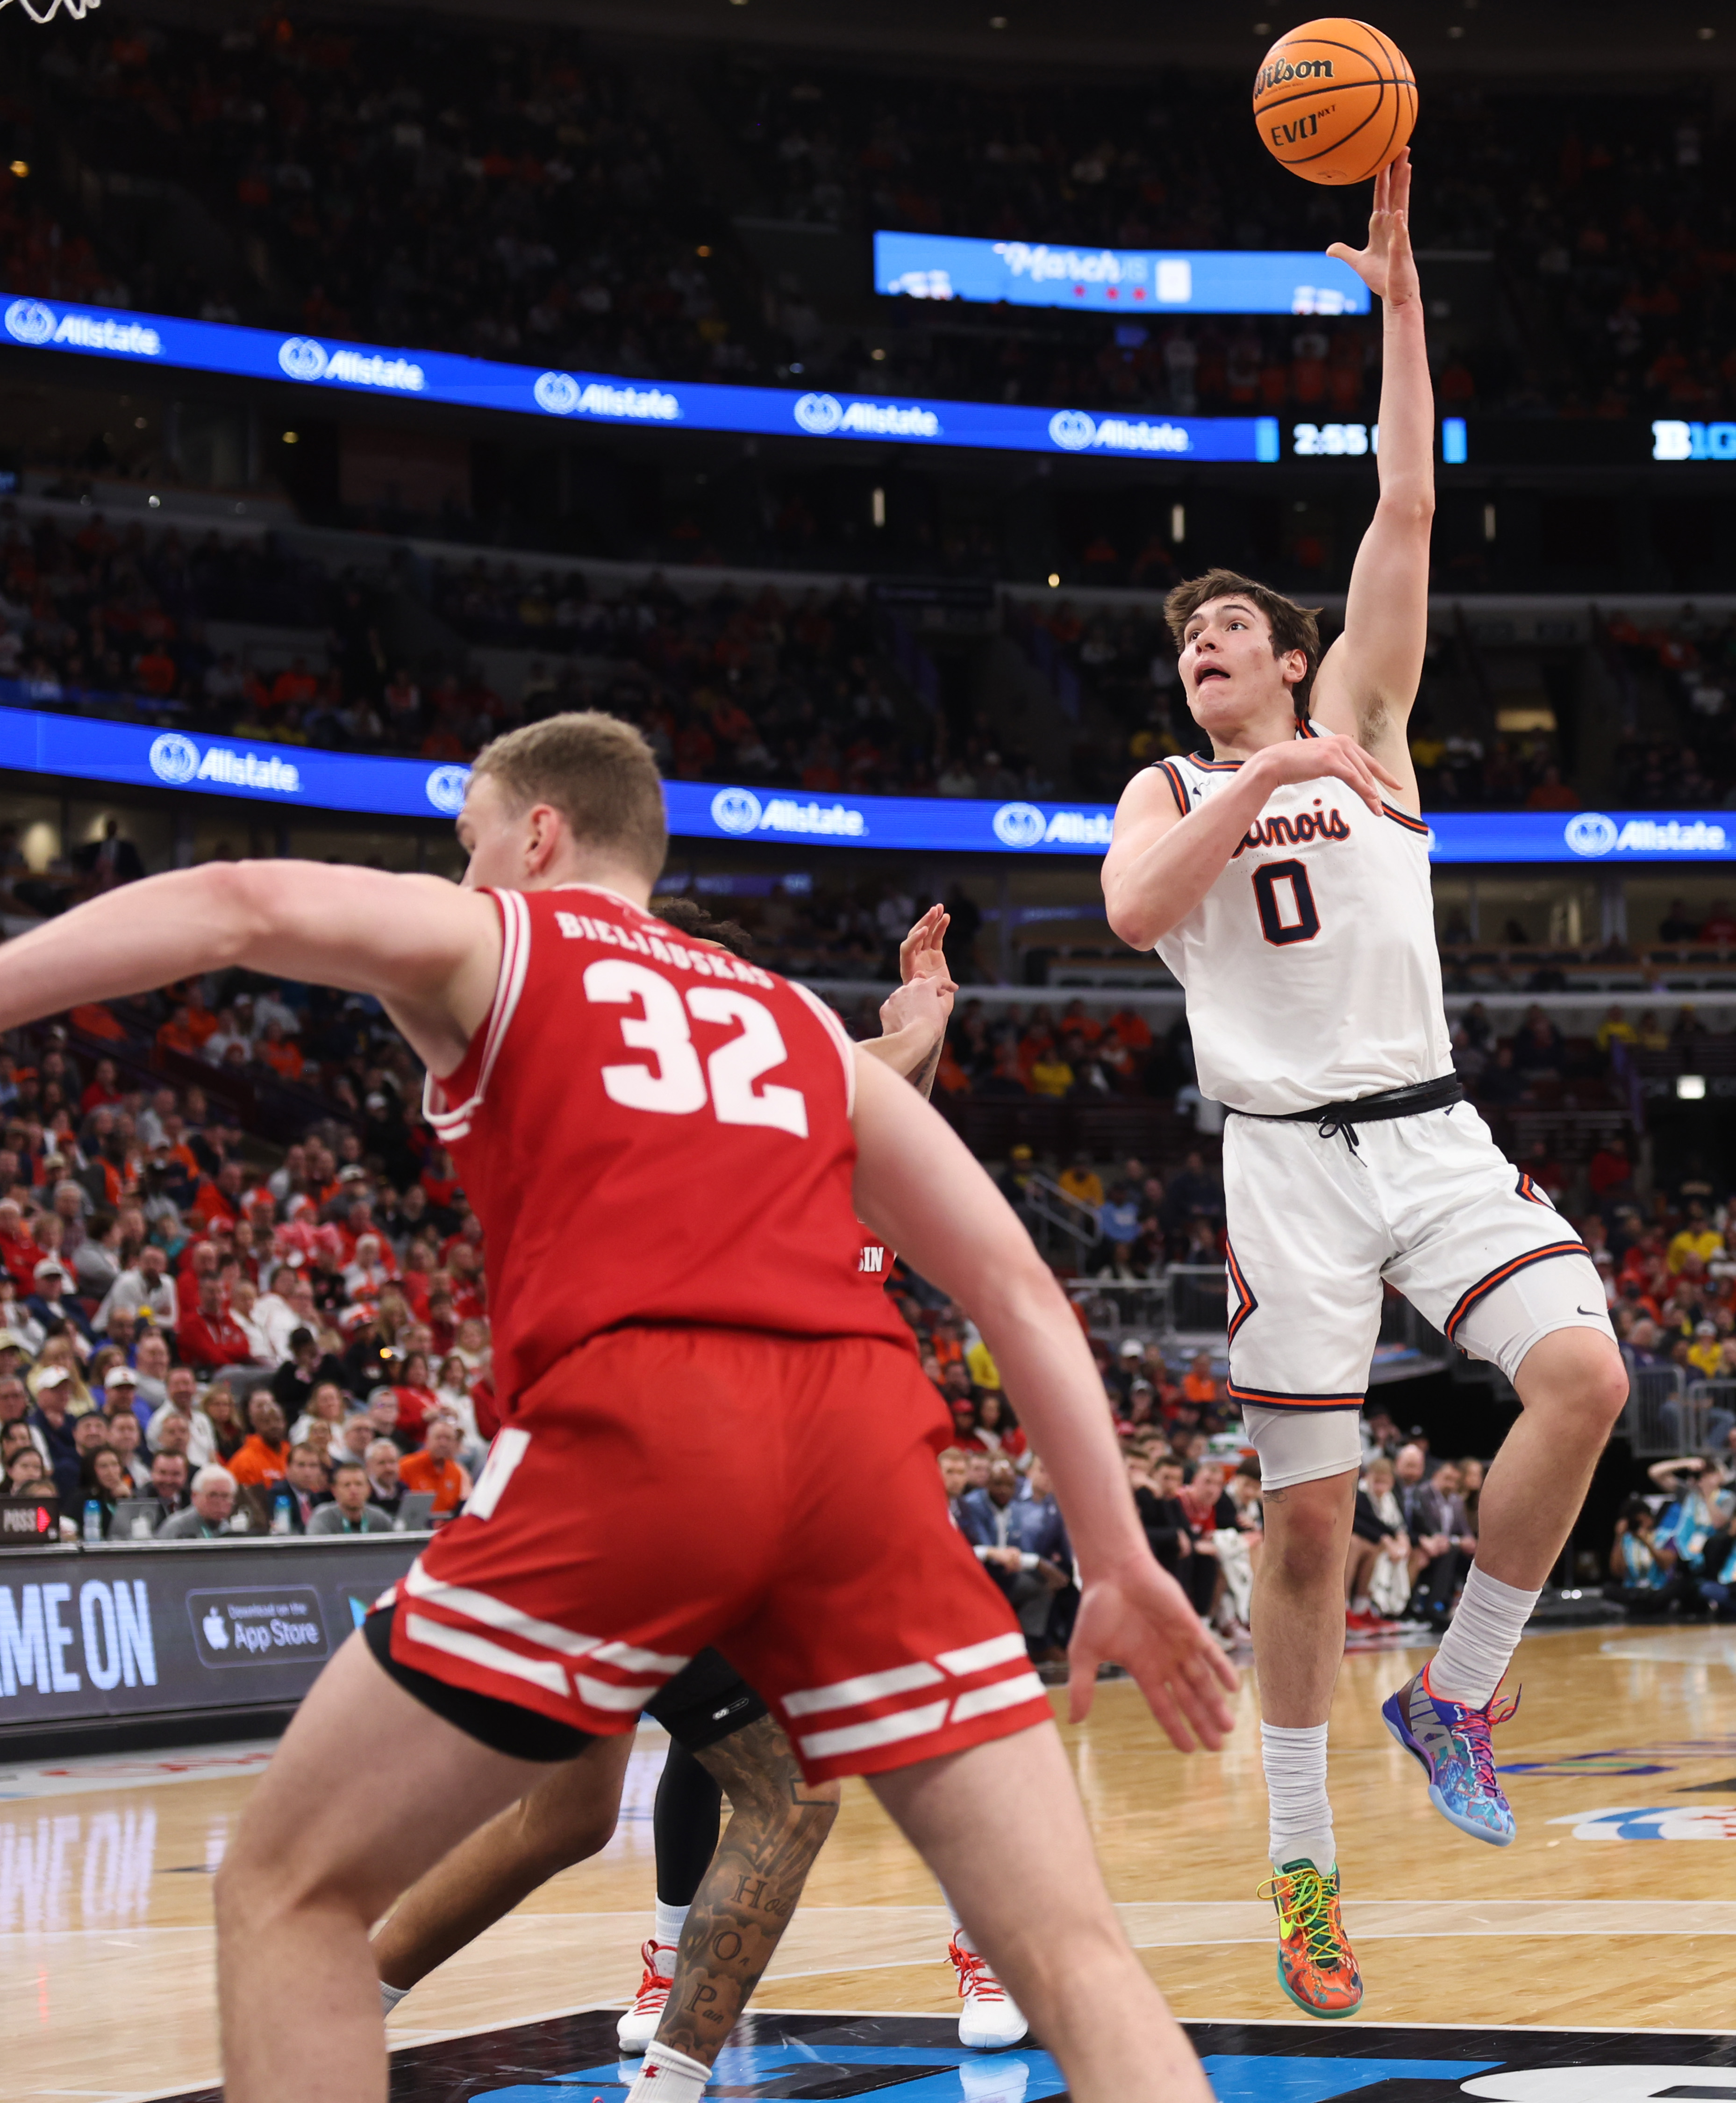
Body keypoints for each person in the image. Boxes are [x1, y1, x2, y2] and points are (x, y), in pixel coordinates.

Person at [0, 709, 1233, 2103]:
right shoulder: (792, 1029)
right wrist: (1116, 1556)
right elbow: (1013, 1288)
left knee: (286, 1887)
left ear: (538, 834)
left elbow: (233, 901)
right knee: (1074, 1957)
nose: (460, 878)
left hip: (645, 1417)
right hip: (855, 1439)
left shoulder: (500, 939)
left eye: (469, 845)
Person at [1101, 154, 1628, 2021]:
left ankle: (1459, 1688)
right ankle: (1301, 1872)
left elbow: (1408, 491)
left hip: (1427, 1128)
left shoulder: (1375, 729)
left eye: (1226, 630)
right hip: (1279, 1170)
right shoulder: (1171, 790)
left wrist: (1398, 301)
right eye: (1182, 644)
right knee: (1308, 1524)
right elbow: (1137, 909)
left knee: (1582, 1376)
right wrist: (1249, 770)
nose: (1199, 648)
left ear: (1297, 650)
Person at [307, 1459, 395, 1535]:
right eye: (347, 1485)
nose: (353, 1490)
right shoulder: (323, 1518)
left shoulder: (381, 1519)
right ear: (334, 1491)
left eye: (359, 1484)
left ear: (369, 1489)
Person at [156, 1463, 242, 1539]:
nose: (219, 1502)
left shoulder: (227, 1529)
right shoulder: (176, 1528)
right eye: (212, 1495)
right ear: (194, 1496)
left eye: (225, 1496)